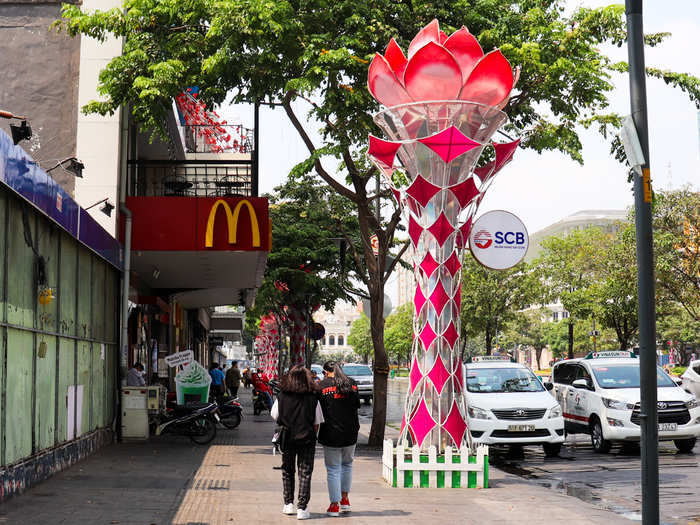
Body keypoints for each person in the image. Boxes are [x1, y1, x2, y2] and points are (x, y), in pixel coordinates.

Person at [271, 365, 323, 520]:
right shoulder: (313, 397)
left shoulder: (282, 396)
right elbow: (317, 421)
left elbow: (274, 415)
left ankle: (288, 504)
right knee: (305, 473)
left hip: (287, 437)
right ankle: (302, 508)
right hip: (307, 438)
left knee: (287, 471)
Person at [317, 361, 360, 517]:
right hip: (351, 432)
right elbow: (356, 406)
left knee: (333, 469)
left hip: (330, 433)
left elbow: (317, 409)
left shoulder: (322, 386)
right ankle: (345, 500)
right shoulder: (352, 384)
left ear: (326, 372)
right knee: (347, 464)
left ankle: (334, 506)